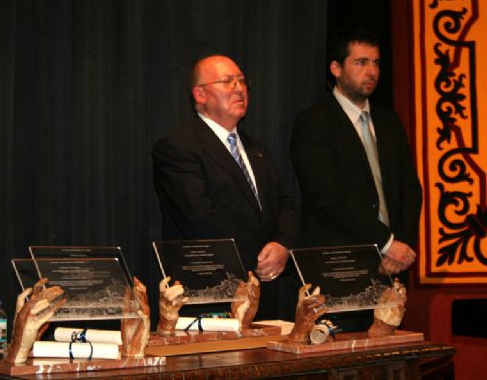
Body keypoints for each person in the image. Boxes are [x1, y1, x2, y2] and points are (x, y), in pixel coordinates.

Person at [290, 29, 422, 331]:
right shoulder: (314, 122)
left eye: (376, 63)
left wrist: (402, 245)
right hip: (340, 267)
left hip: (391, 269)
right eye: (361, 62)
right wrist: (386, 242)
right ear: (336, 69)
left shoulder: (389, 121)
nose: (372, 71)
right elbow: (327, 195)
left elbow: (411, 189)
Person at [153, 54, 298, 320]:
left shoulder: (256, 149)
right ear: (200, 94)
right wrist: (259, 257)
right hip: (211, 293)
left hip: (265, 288)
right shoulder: (178, 146)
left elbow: (284, 203)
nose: (239, 88)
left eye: (242, 81)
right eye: (227, 82)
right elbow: (199, 217)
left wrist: (282, 245)